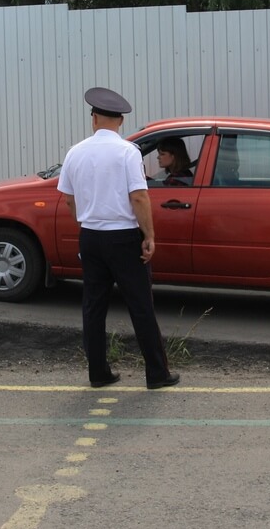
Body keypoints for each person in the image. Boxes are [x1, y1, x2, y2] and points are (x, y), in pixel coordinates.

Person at [57, 87, 180, 389]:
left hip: (91, 236)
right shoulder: (127, 152)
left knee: (93, 307)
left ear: (94, 118)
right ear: (121, 121)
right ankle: (156, 373)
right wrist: (149, 235)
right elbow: (138, 196)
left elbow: (69, 199)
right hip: (124, 238)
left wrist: (86, 222)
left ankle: (98, 373)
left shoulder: (75, 152)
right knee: (140, 305)